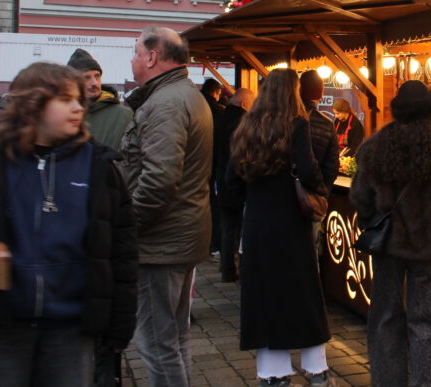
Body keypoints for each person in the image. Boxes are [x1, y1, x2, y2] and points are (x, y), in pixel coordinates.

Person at [0, 62, 137, 387]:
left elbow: (123, 251)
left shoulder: (99, 167)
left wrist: (118, 327)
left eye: (78, 99)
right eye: (64, 99)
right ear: (31, 105)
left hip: (72, 330)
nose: (78, 107)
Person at [350, 80, 431, 387]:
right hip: (430, 249)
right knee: (427, 323)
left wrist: (372, 222)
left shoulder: (376, 145)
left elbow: (360, 196)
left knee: (385, 320)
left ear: (397, 109)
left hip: (388, 247)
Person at [227, 69, 334, 387]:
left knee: (263, 295)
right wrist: (317, 191)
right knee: (303, 294)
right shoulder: (297, 124)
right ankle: (316, 369)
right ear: (292, 92)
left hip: (257, 222)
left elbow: (231, 182)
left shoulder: (246, 125)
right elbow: (310, 171)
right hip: (291, 221)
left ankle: (272, 373)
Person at [119, 27, 212, 387]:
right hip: (179, 235)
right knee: (174, 340)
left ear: (152, 57)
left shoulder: (165, 103)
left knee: (158, 345)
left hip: (160, 243)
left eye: (135, 52)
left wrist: (129, 226)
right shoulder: (181, 95)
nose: (132, 60)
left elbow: (158, 181)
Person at [213, 87, 254, 283]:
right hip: (237, 183)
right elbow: (240, 158)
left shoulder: (219, 119)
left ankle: (227, 268)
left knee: (227, 227)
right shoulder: (243, 123)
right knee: (240, 230)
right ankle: (238, 270)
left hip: (221, 179)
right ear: (244, 104)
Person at [299, 71, 340, 259]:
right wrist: (322, 192)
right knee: (311, 253)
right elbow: (332, 166)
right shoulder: (326, 123)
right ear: (321, 92)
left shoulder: (282, 119)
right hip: (313, 198)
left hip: (285, 197)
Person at [67, 48, 133, 151]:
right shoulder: (64, 115)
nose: (94, 83)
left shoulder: (123, 115)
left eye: (97, 76)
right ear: (72, 83)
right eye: (87, 78)